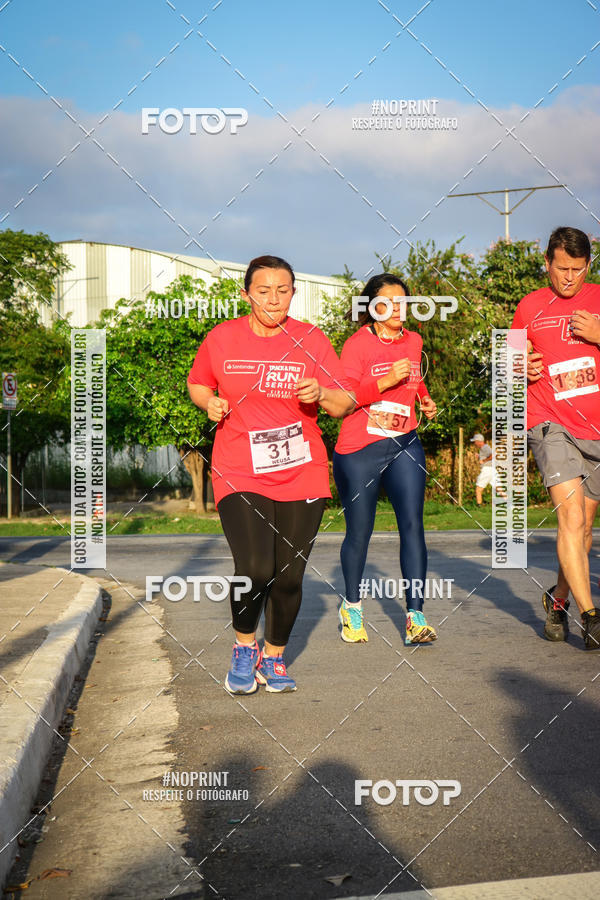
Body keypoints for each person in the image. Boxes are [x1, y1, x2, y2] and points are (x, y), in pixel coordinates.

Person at [187, 255, 354, 693]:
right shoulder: (222, 338)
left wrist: (321, 392)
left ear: (293, 293)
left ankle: (274, 657)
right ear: (247, 294)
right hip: (241, 466)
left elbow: (344, 404)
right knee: (256, 568)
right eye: (263, 291)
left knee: (289, 575)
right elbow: (198, 383)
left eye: (283, 290)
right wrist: (209, 403)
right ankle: (245, 648)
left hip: (302, 469)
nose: (273, 299)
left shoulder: (312, 340)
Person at [332, 274, 438, 646]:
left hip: (404, 442)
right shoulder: (357, 345)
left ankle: (415, 616)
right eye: (389, 302)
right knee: (360, 532)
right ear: (371, 308)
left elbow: (414, 374)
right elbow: (343, 399)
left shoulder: (414, 340)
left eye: (404, 302)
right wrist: (382, 382)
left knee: (413, 524)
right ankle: (352, 607)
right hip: (360, 448)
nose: (398, 309)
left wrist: (423, 397)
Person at [512, 226, 600, 649]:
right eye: (562, 268)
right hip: (548, 421)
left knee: (583, 533)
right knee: (571, 518)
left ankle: (559, 599)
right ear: (547, 262)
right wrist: (518, 368)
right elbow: (509, 361)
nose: (569, 278)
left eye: (578, 270)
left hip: (596, 430)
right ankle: (592, 616)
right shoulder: (528, 306)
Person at [470, 433, 506, 506]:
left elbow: (492, 455)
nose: (474, 443)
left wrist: (483, 461)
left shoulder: (485, 447)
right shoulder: (484, 448)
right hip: (492, 469)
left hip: (487, 470)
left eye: (475, 442)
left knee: (478, 489)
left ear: (478, 441)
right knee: (499, 488)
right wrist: (480, 456)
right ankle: (510, 504)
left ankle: (478, 506)